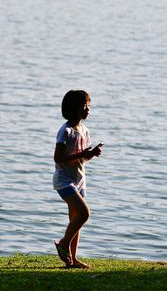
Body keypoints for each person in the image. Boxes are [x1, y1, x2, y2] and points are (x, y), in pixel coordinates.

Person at [53, 90, 103, 269]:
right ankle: (64, 243)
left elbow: (81, 157)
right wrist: (83, 153)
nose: (88, 109)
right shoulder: (65, 131)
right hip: (64, 181)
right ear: (73, 109)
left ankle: (72, 260)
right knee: (84, 213)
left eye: (89, 106)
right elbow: (58, 158)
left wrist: (91, 154)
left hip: (79, 179)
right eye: (84, 106)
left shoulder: (84, 130)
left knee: (76, 219)